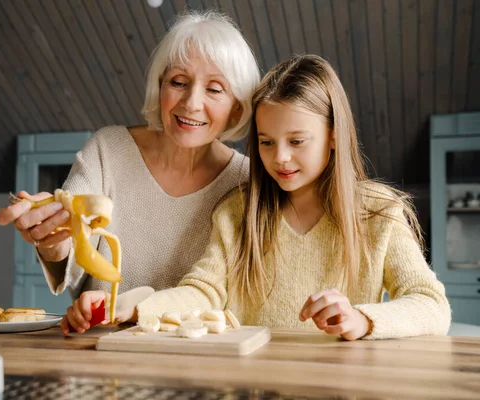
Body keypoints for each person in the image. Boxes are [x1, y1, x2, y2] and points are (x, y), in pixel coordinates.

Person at [134, 54, 451, 340]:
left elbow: (432, 304)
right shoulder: (238, 212)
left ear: (334, 136)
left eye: (297, 141)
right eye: (267, 142)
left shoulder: (378, 212)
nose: (280, 158)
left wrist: (362, 319)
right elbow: (202, 292)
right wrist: (137, 309)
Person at [0, 11, 260, 334]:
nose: (191, 103)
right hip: (100, 349)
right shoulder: (108, 150)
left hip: (195, 363)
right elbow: (71, 241)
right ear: (159, 85)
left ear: (237, 107)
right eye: (178, 82)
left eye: (215, 89)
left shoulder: (247, 182)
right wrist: (52, 239)